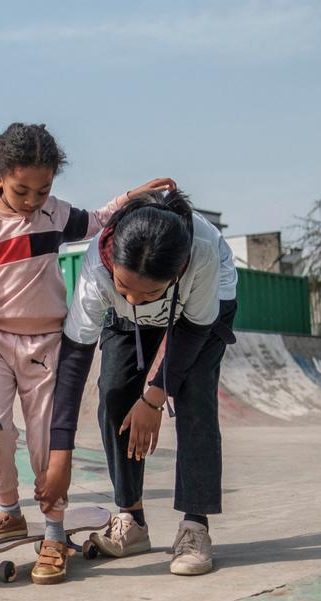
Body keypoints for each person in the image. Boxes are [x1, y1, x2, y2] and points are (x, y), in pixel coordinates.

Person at [0, 120, 174, 585]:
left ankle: (53, 531)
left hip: (47, 343)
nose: (33, 201)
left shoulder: (55, 213)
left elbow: (96, 221)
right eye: (21, 191)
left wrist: (131, 196)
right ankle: (9, 511)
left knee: (43, 443)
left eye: (43, 190)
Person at [37, 189, 238, 576]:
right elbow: (76, 360)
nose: (136, 299)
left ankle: (195, 526)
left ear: (178, 272)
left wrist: (153, 397)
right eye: (124, 285)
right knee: (112, 393)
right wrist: (60, 453)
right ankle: (132, 520)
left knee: (195, 399)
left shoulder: (203, 254)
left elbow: (194, 332)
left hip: (200, 316)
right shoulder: (98, 268)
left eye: (149, 292)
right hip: (124, 318)